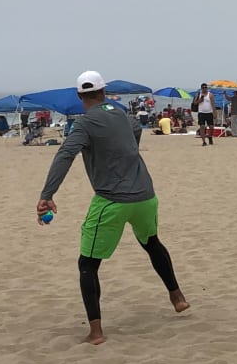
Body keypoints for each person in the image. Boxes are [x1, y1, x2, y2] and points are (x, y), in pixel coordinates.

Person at [36, 71, 189, 345]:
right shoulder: (121, 114)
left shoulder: (84, 124)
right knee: (152, 243)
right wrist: (128, 155)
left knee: (87, 264)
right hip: (145, 197)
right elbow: (136, 129)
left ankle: (96, 332)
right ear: (104, 92)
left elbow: (66, 154)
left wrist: (47, 194)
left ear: (80, 96)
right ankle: (177, 296)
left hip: (111, 201)